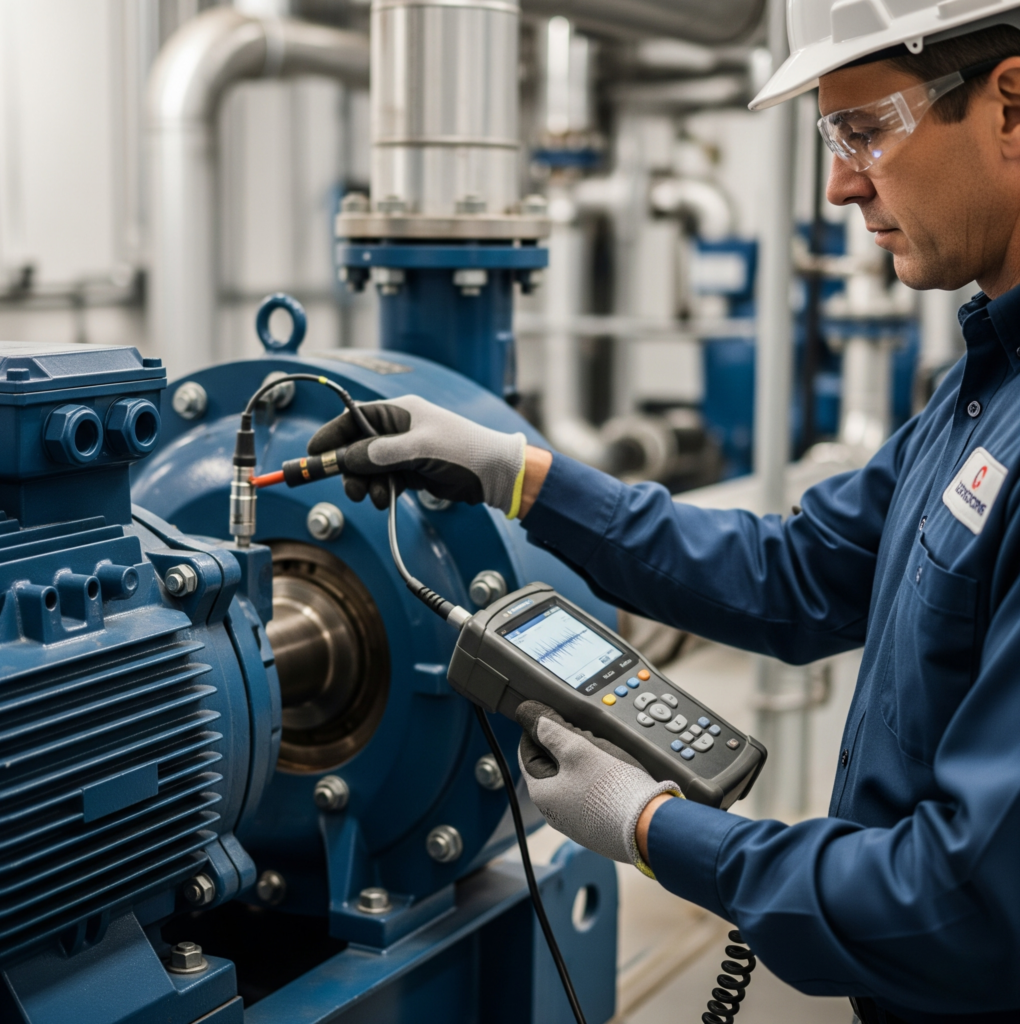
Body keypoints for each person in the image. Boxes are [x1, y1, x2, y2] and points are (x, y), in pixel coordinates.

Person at [307, 6, 1020, 1021]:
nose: (839, 183)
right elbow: (801, 572)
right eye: (832, 140)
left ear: (1009, 106)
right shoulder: (980, 388)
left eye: (865, 131)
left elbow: (962, 904)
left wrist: (654, 825)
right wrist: (523, 479)